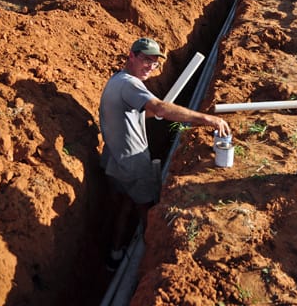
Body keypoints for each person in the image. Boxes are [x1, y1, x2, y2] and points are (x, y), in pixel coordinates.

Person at [99, 37, 231, 270]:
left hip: (113, 160)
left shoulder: (117, 80)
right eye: (146, 60)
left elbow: (139, 113)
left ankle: (114, 254)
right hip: (133, 163)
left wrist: (153, 111)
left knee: (124, 205)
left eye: (155, 63)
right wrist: (206, 118)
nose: (151, 66)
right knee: (148, 209)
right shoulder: (130, 84)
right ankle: (150, 263)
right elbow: (159, 108)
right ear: (131, 56)